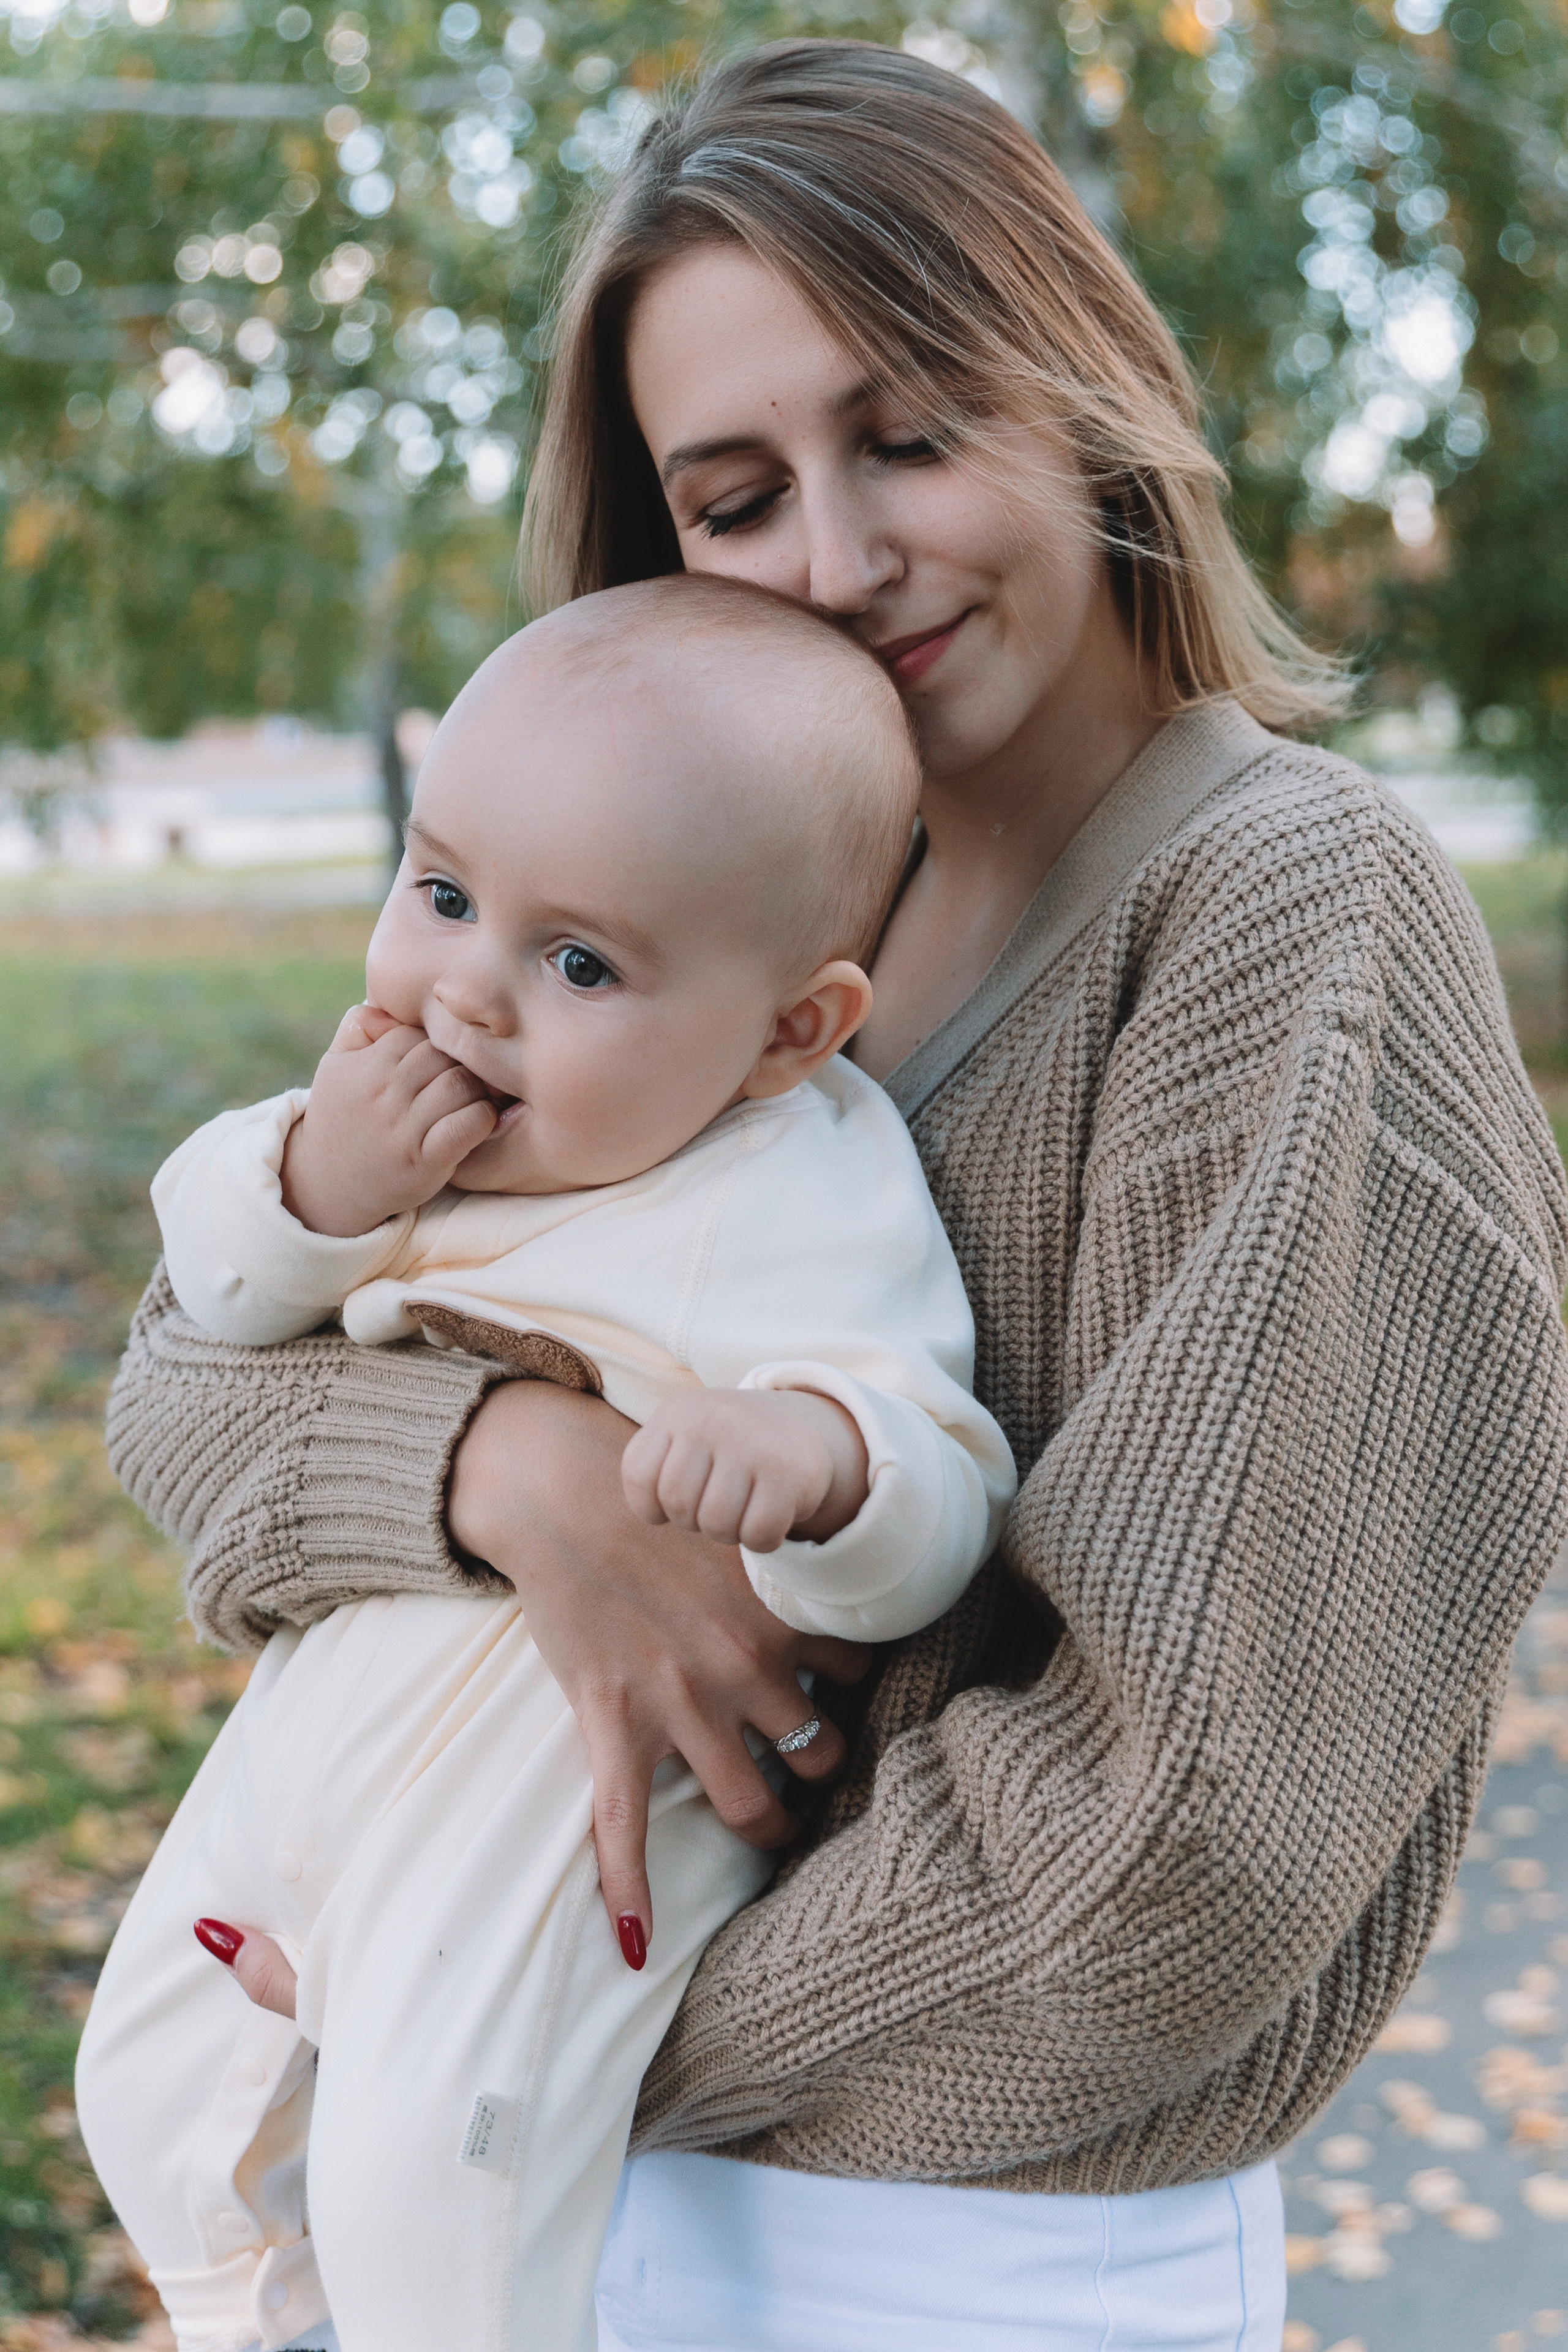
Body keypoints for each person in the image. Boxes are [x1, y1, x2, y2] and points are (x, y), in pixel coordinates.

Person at [102, 39, 1568, 2352]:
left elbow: (1187, 1833)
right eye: (735, 490)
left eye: (907, 435)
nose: (841, 557)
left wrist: (512, 2025)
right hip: (533, 2161)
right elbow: (193, 1385)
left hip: (954, 2239)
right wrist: (514, 1471)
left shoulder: (1284, 914)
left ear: (1078, 396)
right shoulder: (680, 896)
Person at [75, 575, 1015, 2352]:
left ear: (786, 1034)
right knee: (152, 2078)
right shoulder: (388, 1110)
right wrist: (323, 1187)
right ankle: (248, 2321)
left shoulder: (800, 1184)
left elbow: (941, 1478)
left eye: (577, 963)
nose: (469, 996)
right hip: (329, 1713)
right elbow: (207, 1290)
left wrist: (815, 1464)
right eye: (440, 896)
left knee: (435, 2179)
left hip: (553, 1799)